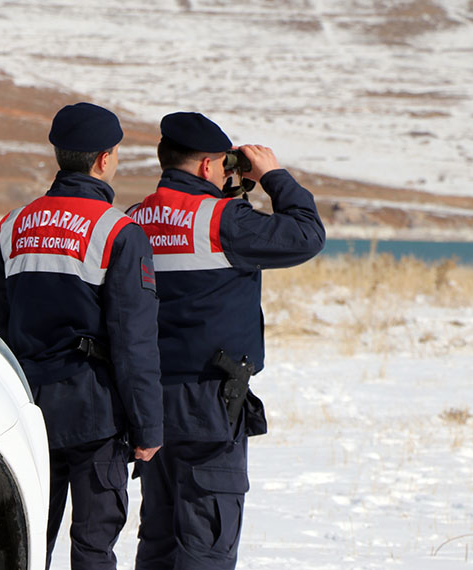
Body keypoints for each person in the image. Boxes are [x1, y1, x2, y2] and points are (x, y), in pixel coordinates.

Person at [129, 112, 325, 570]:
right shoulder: (223, 220)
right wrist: (273, 176)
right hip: (210, 403)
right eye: (222, 164)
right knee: (207, 540)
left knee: (158, 535)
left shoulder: (133, 219)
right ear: (206, 168)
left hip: (147, 400)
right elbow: (307, 234)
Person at [0, 102, 163, 570]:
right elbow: (133, 342)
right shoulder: (119, 231)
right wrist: (147, 428)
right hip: (94, 415)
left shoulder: (13, 225)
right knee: (93, 547)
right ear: (105, 159)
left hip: (26, 409)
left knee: (23, 543)